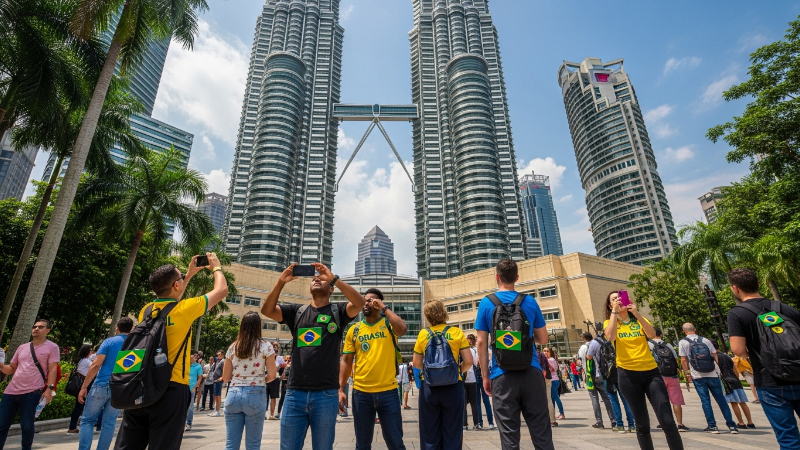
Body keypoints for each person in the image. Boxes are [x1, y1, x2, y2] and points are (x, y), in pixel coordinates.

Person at [113, 253, 229, 450]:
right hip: (172, 388)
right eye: (180, 277)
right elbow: (222, 290)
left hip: (140, 385)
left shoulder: (147, 310)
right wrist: (216, 267)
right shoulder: (185, 309)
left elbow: (170, 301)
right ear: (176, 285)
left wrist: (188, 275)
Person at [261, 262, 366, 450]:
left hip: (326, 395)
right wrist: (281, 282)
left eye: (321, 278)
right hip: (294, 394)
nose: (316, 278)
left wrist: (333, 277)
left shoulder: (338, 312)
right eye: (313, 278)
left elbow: (359, 303)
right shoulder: (297, 312)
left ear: (332, 289)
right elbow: (267, 310)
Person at [476, 259, 554, 450]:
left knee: (509, 438)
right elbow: (543, 339)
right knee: (541, 434)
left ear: (497, 277)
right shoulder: (529, 301)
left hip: (501, 376)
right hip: (531, 372)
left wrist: (486, 377)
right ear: (517, 278)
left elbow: (480, 342)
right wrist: (524, 338)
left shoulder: (487, 303)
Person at [727, 268, 800, 448]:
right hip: (799, 374)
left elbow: (737, 350)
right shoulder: (786, 309)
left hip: (769, 382)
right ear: (758, 284)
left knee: (788, 437)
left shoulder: (737, 314)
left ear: (735, 289)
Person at [604, 291, 682, 450]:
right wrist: (615, 312)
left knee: (667, 420)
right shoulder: (609, 322)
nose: (618, 300)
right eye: (614, 299)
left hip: (651, 373)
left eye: (620, 297)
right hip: (627, 374)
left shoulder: (639, 320)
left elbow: (652, 335)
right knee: (642, 424)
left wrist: (636, 312)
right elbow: (610, 337)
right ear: (610, 305)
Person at [340, 287, 408, 450]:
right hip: (361, 393)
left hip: (388, 392)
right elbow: (346, 360)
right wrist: (340, 389)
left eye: (371, 300)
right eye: (364, 299)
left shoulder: (389, 324)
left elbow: (403, 329)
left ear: (378, 303)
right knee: (362, 444)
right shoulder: (354, 330)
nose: (366, 302)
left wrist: (384, 308)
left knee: (396, 443)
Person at [413, 300, 473, 450]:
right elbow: (469, 361)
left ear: (427, 316)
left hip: (429, 387)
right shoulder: (456, 332)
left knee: (429, 434)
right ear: (444, 312)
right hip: (453, 386)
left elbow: (416, 363)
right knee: (453, 432)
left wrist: (431, 370)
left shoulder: (423, 334)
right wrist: (458, 370)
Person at [0, 319, 60, 450]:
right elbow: (11, 369)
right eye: (35, 326)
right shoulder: (22, 347)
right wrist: (1, 366)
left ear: (47, 331)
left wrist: (50, 389)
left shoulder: (52, 347)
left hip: (32, 392)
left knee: (27, 426)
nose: (36, 329)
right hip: (10, 392)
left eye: (40, 327)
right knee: (1, 425)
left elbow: (53, 369)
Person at [223, 311, 278, 450]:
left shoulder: (233, 347)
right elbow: (272, 374)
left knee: (231, 443)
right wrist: (259, 380)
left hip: (233, 394)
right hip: (255, 393)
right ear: (258, 326)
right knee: (253, 444)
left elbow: (226, 377)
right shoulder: (266, 346)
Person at [77, 318, 133, 450]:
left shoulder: (109, 341)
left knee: (88, 421)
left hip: (102, 384)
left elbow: (96, 364)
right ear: (130, 329)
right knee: (109, 423)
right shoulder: (135, 344)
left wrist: (84, 386)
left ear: (117, 328)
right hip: (120, 387)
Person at [678, 322, 738, 434]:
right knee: (721, 400)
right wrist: (716, 369)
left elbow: (683, 360)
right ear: (695, 329)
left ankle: (712, 426)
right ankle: (731, 425)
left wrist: (687, 373)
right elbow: (715, 355)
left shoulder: (683, 342)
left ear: (684, 331)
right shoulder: (705, 340)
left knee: (705, 401)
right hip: (712, 374)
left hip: (697, 375)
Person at [648, 327, 689, 432]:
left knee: (660, 401)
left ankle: (664, 423)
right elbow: (676, 359)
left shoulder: (649, 344)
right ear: (661, 334)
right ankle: (680, 424)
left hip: (658, 376)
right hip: (672, 375)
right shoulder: (668, 345)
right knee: (676, 401)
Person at [715, 348, 755, 429]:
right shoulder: (727, 356)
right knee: (743, 402)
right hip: (735, 380)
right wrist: (736, 379)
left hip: (727, 381)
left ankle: (741, 423)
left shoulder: (715, 357)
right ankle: (750, 422)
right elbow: (735, 369)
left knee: (734, 403)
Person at [582, 331, 614, 429]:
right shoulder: (601, 343)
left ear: (584, 338)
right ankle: (613, 420)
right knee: (606, 398)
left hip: (591, 376)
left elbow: (586, 358)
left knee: (594, 399)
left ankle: (599, 421)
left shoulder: (585, 347)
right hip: (602, 374)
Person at [469, 334, 495, 430]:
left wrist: (484, 355)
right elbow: (474, 363)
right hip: (476, 379)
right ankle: (480, 422)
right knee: (477, 402)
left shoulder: (486, 350)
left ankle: (491, 422)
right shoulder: (474, 351)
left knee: (486, 401)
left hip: (484, 378)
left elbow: (491, 357)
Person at [67, 344, 93, 434]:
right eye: (91, 350)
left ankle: (73, 426)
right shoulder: (86, 361)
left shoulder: (81, 360)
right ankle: (72, 427)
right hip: (83, 386)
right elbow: (95, 367)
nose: (92, 351)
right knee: (80, 406)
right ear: (88, 351)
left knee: (79, 406)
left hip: (79, 385)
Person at [543, 348, 564, 420]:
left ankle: (562, 413)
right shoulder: (552, 359)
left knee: (555, 398)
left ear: (550, 353)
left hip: (552, 380)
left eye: (547, 351)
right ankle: (553, 414)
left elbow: (551, 369)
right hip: (555, 380)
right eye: (544, 351)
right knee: (552, 399)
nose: (545, 352)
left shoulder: (549, 360)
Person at [463, 341, 480, 431]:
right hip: (472, 379)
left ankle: (464, 424)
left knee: (464, 403)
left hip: (463, 379)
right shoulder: (472, 351)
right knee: (474, 403)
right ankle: (476, 423)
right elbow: (475, 363)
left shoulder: (461, 350)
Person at [537, 348, 556, 427]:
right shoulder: (542, 355)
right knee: (548, 399)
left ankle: (540, 419)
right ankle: (552, 420)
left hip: (539, 378)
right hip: (547, 377)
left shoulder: (534, 355)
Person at [186, 352, 204, 431]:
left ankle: (189, 423)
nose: (191, 358)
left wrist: (196, 386)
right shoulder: (185, 364)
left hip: (191, 388)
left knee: (190, 407)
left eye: (192, 356)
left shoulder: (198, 366)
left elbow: (200, 377)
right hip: (183, 388)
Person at [266, 341, 284, 420]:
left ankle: (272, 414)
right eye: (273, 345)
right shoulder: (266, 356)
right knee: (264, 397)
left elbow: (285, 366)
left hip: (275, 379)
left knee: (273, 397)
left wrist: (282, 376)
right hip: (266, 378)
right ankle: (263, 414)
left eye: (276, 345)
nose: (274, 347)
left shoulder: (279, 358)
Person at [207, 350, 225, 417]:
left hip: (219, 380)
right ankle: (215, 410)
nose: (218, 356)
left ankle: (217, 411)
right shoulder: (217, 362)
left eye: (220, 354)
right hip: (214, 380)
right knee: (215, 395)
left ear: (223, 355)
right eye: (217, 355)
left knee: (218, 395)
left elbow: (225, 370)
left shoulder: (223, 361)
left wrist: (222, 377)